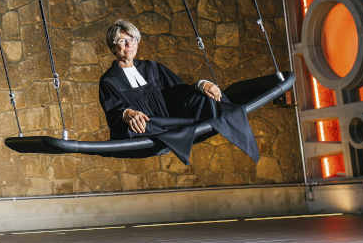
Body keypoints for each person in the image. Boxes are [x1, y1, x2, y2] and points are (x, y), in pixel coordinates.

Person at [98, 19, 259, 164]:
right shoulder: (109, 80)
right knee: (140, 124)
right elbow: (114, 111)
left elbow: (179, 90)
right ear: (113, 47)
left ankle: (229, 115)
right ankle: (171, 133)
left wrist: (201, 85)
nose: (129, 44)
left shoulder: (152, 67)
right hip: (149, 128)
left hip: (171, 118)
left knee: (205, 98)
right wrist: (127, 114)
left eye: (132, 39)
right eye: (122, 40)